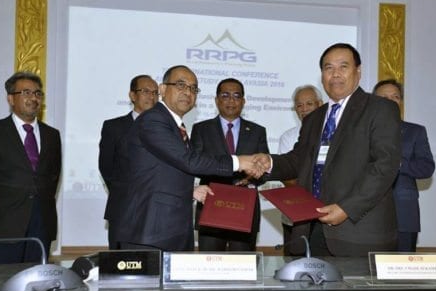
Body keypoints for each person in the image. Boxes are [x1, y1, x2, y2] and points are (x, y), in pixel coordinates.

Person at [255, 43, 401, 256]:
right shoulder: (314, 118)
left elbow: (384, 166)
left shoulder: (381, 109)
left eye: (343, 66)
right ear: (322, 75)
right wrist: (268, 163)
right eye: (328, 68)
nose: (335, 74)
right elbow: (299, 160)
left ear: (358, 72)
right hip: (311, 229)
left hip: (358, 232)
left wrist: (346, 208)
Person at [110, 65, 263, 251]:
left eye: (193, 88)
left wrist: (191, 190)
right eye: (181, 85)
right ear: (163, 89)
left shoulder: (174, 125)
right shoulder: (154, 120)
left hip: (167, 229)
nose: (187, 92)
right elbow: (189, 160)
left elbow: (160, 171)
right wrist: (239, 162)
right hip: (149, 230)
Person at [0, 71, 61, 265]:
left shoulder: (52, 135)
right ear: (11, 98)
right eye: (26, 92)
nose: (33, 98)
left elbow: (53, 178)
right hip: (5, 225)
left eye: (38, 93)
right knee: (3, 284)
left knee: (37, 284)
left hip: (41, 224)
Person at [191, 78, 269, 251]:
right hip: (211, 204)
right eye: (225, 95)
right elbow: (195, 165)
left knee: (244, 269)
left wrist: (254, 175)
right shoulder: (201, 129)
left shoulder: (257, 131)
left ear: (243, 101)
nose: (231, 100)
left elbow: (265, 172)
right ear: (216, 100)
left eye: (236, 96)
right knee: (209, 267)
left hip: (244, 209)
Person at [373, 79, 435, 252]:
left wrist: (398, 163)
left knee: (404, 270)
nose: (391, 101)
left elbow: (426, 168)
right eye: (385, 97)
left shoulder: (415, 131)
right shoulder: (362, 133)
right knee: (371, 270)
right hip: (369, 214)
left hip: (404, 212)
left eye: (396, 97)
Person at [98, 75, 158, 249]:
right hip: (123, 208)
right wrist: (129, 194)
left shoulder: (166, 129)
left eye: (155, 93)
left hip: (156, 213)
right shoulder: (113, 127)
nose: (151, 97)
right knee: (120, 264)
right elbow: (106, 167)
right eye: (145, 91)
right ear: (132, 95)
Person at [277, 85, 323, 256]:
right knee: (294, 264)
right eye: (299, 105)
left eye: (309, 104)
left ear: (320, 104)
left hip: (327, 215)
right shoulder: (288, 137)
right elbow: (287, 177)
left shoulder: (334, 133)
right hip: (295, 214)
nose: (304, 109)